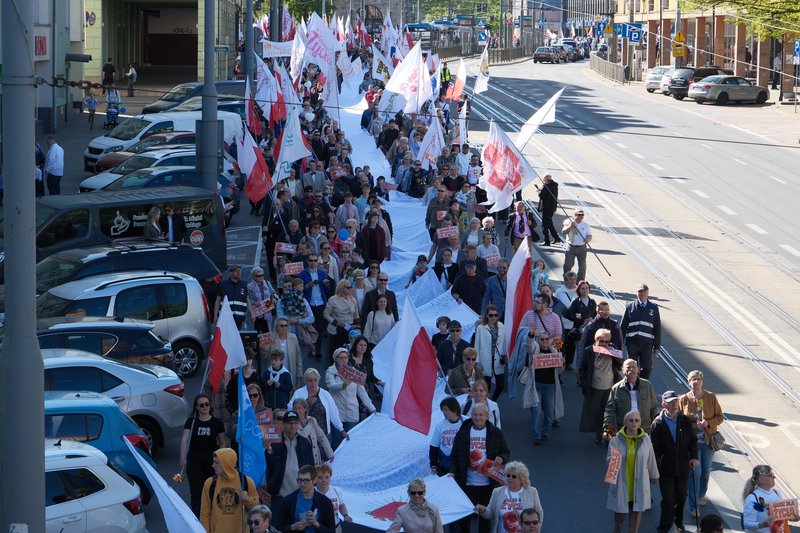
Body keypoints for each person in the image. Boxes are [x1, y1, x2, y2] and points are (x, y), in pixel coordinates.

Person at [451, 403, 511, 533]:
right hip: (467, 482)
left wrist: (501, 458)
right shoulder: (463, 432)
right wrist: (452, 472)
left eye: (481, 415)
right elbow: (454, 456)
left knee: (486, 518)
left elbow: (506, 452)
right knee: (466, 517)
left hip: (489, 483)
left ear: (487, 416)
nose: (478, 417)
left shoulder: (495, 432)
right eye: (475, 414)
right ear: (471, 415)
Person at [650, 390, 699, 533]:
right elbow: (654, 448)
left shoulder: (684, 420)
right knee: (669, 500)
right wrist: (654, 468)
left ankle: (678, 522)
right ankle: (664, 528)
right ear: (664, 404)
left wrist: (694, 456)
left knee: (682, 497)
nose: (674, 405)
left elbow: (693, 441)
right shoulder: (657, 424)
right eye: (671, 403)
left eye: (676, 402)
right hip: (666, 469)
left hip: (683, 467)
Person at [606, 410, 659, 533]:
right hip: (622, 487)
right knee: (618, 526)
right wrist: (614, 459)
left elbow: (651, 459)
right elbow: (608, 462)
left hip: (639, 487)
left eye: (636, 420)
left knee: (633, 530)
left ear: (640, 423)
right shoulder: (616, 440)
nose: (634, 423)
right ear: (626, 423)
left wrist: (654, 476)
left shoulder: (646, 439)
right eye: (631, 420)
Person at [679, 370, 724, 513]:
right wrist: (692, 425)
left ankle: (701, 494)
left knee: (705, 472)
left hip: (707, 441)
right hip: (691, 443)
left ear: (702, 381)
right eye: (693, 379)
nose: (696, 381)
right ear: (688, 382)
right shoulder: (683, 399)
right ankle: (694, 507)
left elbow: (720, 417)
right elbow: (679, 420)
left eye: (698, 379)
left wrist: (708, 423)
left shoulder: (711, 397)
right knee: (695, 473)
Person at [180, 394, 227, 516]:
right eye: (201, 405)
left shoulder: (217, 422)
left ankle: (211, 517)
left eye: (207, 404)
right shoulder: (191, 422)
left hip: (211, 463)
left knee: (211, 491)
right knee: (197, 493)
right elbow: (184, 439)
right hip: (194, 461)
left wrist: (218, 457)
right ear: (196, 407)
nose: (205, 407)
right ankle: (197, 519)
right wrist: (182, 458)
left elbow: (223, 442)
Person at [200, 448, 260, 532]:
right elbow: (204, 514)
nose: (213, 465)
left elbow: (257, 510)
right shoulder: (210, 483)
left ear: (226, 464)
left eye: (216, 462)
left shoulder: (246, 482)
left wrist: (248, 500)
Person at [579, 329, 623, 443]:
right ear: (596, 339)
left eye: (606, 341)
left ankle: (610, 435)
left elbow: (620, 364)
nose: (604, 344)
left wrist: (613, 354)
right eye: (601, 341)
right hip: (595, 386)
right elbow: (583, 367)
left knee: (610, 413)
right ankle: (599, 433)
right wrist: (584, 382)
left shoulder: (612, 348)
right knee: (597, 411)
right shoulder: (589, 350)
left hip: (610, 386)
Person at [476, 461, 544, 533]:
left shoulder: (532, 491)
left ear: (521, 478)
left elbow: (539, 513)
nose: (510, 478)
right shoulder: (497, 491)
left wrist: (536, 530)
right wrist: (483, 510)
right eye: (508, 475)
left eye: (514, 476)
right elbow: (490, 514)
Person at [522, 329, 564, 445]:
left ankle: (545, 432)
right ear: (538, 340)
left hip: (550, 386)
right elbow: (528, 345)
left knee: (549, 413)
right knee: (536, 411)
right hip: (536, 385)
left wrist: (562, 363)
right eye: (542, 339)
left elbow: (559, 371)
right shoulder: (534, 350)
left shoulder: (554, 351)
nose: (544, 341)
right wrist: (531, 335)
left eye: (546, 339)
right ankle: (536, 435)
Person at [288, 368, 349, 448]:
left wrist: (341, 429)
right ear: (305, 381)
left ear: (318, 380)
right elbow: (290, 409)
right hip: (304, 435)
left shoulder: (325, 394)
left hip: (323, 436)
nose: (313, 383)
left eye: (315, 380)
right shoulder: (299, 393)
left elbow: (333, 413)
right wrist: (306, 403)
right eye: (310, 380)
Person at [604, 359, 659, 437]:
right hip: (624, 431)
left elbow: (654, 408)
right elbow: (610, 410)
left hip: (644, 431)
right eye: (628, 367)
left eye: (634, 367)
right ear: (623, 370)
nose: (631, 369)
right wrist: (608, 429)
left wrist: (658, 424)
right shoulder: (616, 388)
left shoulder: (647, 385)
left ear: (638, 369)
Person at [266, 411, 315, 501]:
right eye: (290, 423)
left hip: (300, 492)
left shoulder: (304, 442)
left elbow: (310, 466)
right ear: (283, 424)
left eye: (296, 423)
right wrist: (269, 450)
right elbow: (270, 465)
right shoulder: (275, 441)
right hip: (279, 493)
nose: (293, 426)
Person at [273, 464, 336, 533]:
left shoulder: (325, 502)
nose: (302, 484)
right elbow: (278, 526)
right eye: (300, 480)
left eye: (306, 480)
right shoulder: (289, 500)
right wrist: (293, 527)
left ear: (314, 480)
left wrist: (316, 524)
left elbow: (331, 530)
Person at [326, 347, 376, 432]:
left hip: (352, 412)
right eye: (341, 358)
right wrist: (344, 384)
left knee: (351, 437)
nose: (344, 360)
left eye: (345, 357)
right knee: (337, 438)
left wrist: (372, 408)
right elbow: (331, 387)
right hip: (337, 413)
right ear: (336, 359)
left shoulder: (354, 372)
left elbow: (362, 393)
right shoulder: (330, 372)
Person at [620, 283, 661, 380]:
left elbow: (657, 328)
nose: (641, 294)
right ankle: (632, 383)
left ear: (648, 293)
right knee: (631, 367)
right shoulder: (630, 306)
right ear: (636, 293)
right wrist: (619, 343)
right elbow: (623, 326)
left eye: (644, 292)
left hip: (647, 343)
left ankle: (641, 383)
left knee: (647, 367)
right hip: (632, 342)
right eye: (639, 292)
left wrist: (657, 346)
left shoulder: (654, 308)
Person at [742, 465, 799, 532]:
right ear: (761, 479)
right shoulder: (752, 499)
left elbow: (781, 516)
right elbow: (747, 524)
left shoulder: (777, 492)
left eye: (773, 474)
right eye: (770, 475)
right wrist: (762, 525)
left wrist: (790, 518)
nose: (774, 477)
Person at [299, 254, 335, 359]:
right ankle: (312, 348)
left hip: (320, 303)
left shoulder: (322, 273)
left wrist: (326, 284)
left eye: (315, 260)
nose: (313, 262)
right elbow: (299, 289)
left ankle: (318, 350)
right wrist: (307, 286)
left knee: (319, 328)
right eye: (311, 260)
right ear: (307, 261)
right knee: (309, 327)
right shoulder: (303, 274)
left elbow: (328, 289)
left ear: (317, 262)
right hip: (308, 304)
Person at [562, 280, 597, 371]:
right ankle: (579, 372)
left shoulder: (592, 302)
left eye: (587, 288)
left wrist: (592, 319)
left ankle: (588, 370)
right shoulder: (576, 302)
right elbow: (567, 314)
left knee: (590, 352)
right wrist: (579, 319)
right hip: (579, 331)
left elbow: (595, 315)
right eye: (583, 288)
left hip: (590, 331)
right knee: (580, 352)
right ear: (579, 290)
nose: (585, 290)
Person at [475, 305, 507, 401]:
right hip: (485, 358)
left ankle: (492, 402)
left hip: (498, 359)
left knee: (500, 385)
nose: (493, 317)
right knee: (486, 386)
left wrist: (505, 356)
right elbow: (477, 345)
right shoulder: (481, 328)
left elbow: (504, 343)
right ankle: (485, 403)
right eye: (491, 315)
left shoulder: (501, 326)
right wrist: (477, 361)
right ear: (487, 315)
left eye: (495, 315)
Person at [292, 398, 335, 465]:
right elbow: (301, 436)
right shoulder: (292, 422)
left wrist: (330, 454)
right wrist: (309, 425)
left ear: (305, 409)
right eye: (295, 408)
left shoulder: (312, 420)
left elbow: (322, 437)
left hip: (315, 456)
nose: (297, 411)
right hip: (301, 458)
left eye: (299, 408)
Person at [430, 396, 465, 476]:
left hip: (462, 462)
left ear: (454, 410)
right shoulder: (440, 426)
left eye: (446, 410)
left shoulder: (467, 422)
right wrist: (433, 465)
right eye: (443, 410)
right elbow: (434, 446)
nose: (443, 413)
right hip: (445, 463)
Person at [324, 280, 360, 353]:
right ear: (341, 287)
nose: (350, 289)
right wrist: (335, 322)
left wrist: (357, 325)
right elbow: (326, 314)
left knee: (349, 350)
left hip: (350, 328)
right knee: (336, 349)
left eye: (351, 287)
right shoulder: (333, 299)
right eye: (347, 287)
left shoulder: (353, 299)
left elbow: (356, 315)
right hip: (337, 328)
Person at [316, 464, 353, 531]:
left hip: (336, 528)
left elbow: (341, 505)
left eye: (327, 477)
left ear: (330, 477)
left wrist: (345, 515)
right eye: (320, 477)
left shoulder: (336, 490)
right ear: (315, 479)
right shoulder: (311, 492)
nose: (324, 480)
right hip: (318, 529)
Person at [561, 208, 592, 283]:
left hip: (582, 248)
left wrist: (587, 239)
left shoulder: (585, 225)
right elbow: (563, 232)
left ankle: (580, 281)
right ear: (574, 215)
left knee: (582, 267)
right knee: (568, 265)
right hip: (571, 247)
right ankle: (567, 279)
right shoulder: (568, 222)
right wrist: (571, 226)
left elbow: (589, 235)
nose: (581, 216)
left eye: (582, 215)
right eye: (579, 214)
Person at [215, 265, 249, 329]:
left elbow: (247, 300)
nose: (239, 273)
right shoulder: (222, 284)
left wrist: (252, 313)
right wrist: (215, 315)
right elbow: (218, 300)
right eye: (236, 271)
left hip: (239, 318)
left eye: (240, 271)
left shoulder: (244, 284)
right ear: (231, 273)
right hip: (226, 317)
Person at [248, 267, 277, 334]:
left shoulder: (267, 283)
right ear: (253, 277)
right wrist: (254, 302)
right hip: (256, 312)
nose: (261, 277)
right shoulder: (249, 286)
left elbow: (275, 294)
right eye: (258, 276)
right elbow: (247, 299)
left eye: (262, 275)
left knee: (267, 331)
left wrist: (273, 302)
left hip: (267, 310)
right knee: (256, 331)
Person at [537, 174, 561, 245]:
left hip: (546, 208)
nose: (543, 179)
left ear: (547, 178)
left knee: (544, 225)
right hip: (552, 207)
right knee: (549, 223)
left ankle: (547, 241)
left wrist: (539, 191)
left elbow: (541, 195)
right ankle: (556, 238)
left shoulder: (546, 185)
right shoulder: (554, 185)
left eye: (544, 178)